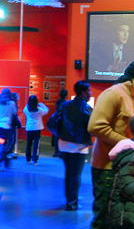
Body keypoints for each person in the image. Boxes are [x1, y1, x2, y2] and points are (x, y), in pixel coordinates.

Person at [88, 58, 134, 229]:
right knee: (103, 220)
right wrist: (129, 144)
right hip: (107, 170)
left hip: (126, 172)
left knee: (117, 220)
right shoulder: (114, 94)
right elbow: (95, 126)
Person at [55, 80, 92, 211]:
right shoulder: (87, 108)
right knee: (76, 174)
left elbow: (54, 121)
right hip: (80, 146)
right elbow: (91, 127)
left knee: (69, 173)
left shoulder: (65, 105)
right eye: (89, 91)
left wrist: (59, 134)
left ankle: (69, 201)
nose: (91, 93)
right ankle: (72, 203)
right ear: (83, 93)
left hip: (64, 143)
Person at [23, 95, 49, 165]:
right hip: (37, 128)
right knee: (36, 144)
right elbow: (46, 110)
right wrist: (41, 104)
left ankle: (28, 159)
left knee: (29, 143)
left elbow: (25, 108)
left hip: (29, 128)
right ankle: (35, 159)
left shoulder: (26, 109)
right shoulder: (39, 110)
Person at [6, 92, 22, 159]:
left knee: (11, 139)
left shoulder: (10, 104)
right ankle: (8, 152)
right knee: (12, 139)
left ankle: (10, 151)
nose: (18, 99)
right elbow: (14, 115)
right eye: (17, 97)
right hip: (10, 124)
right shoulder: (12, 104)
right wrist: (18, 124)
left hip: (9, 124)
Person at [53, 89, 68, 157]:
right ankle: (61, 152)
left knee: (57, 137)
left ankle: (56, 152)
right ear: (65, 95)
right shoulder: (65, 103)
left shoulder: (57, 102)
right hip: (62, 122)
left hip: (57, 121)